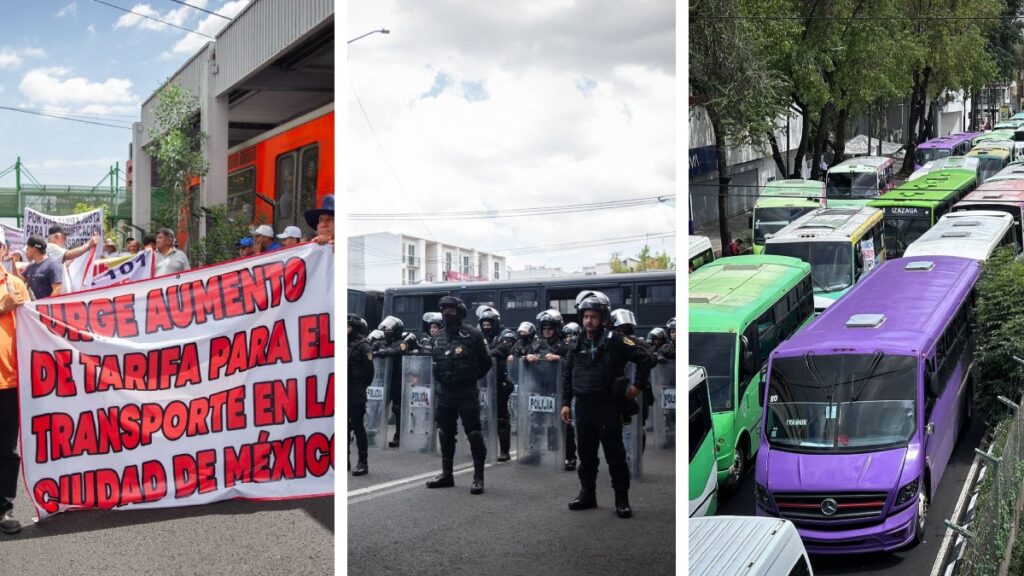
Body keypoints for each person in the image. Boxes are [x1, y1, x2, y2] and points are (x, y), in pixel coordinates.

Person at [560, 291, 655, 518]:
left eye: (593, 316)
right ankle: (587, 495)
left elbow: (645, 358)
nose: (588, 321)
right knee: (586, 456)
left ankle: (621, 500)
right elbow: (567, 375)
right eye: (585, 317)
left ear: (602, 318)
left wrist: (637, 387)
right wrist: (565, 403)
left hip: (608, 406)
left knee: (615, 456)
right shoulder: (575, 343)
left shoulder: (616, 341)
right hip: (583, 406)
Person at [427, 296, 491, 494]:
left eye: (451, 310)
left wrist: (470, 378)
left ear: (460, 312)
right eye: (443, 310)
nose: (447, 314)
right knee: (445, 433)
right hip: (445, 393)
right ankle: (447, 475)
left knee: (473, 433)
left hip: (466, 393)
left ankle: (478, 477)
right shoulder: (437, 337)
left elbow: (486, 363)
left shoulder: (473, 335)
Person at [0, 236, 28, 534]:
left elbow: (34, 327)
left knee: (6, 451)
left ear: (4, 250)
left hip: (9, 383)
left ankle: (3, 509)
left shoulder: (16, 285)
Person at [478, 306, 513, 461]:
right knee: (483, 416)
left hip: (501, 381)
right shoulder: (481, 337)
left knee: (501, 417)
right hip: (484, 382)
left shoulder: (505, 334)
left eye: (489, 324)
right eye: (484, 324)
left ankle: (504, 451)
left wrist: (484, 354)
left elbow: (502, 349)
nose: (486, 327)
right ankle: (483, 447)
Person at [374, 316, 410, 447]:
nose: (386, 330)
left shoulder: (403, 342)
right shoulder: (381, 342)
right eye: (385, 328)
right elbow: (369, 352)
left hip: (397, 380)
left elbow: (394, 351)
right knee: (376, 407)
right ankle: (372, 434)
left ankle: (399, 437)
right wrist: (374, 352)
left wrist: (380, 353)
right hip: (382, 379)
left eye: (389, 328)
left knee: (397, 408)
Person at [348, 314, 374, 477]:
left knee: (357, 426)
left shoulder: (364, 346)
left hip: (356, 390)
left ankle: (362, 462)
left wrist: (360, 386)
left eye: (348, 326)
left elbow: (369, 372)